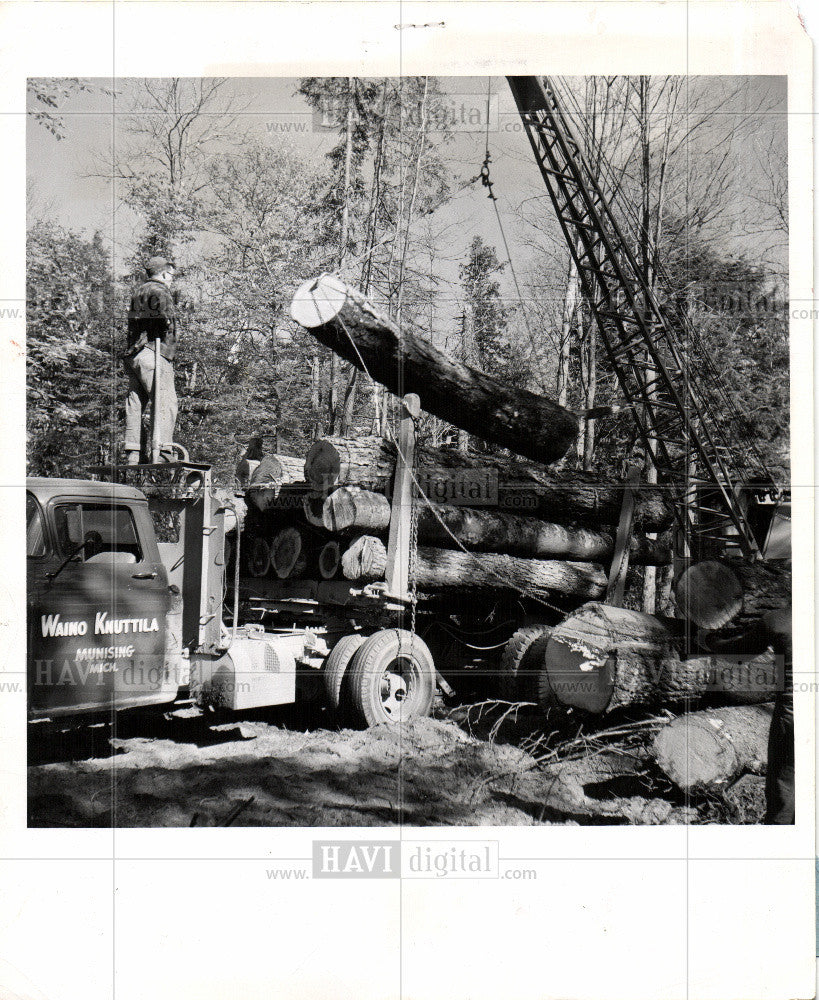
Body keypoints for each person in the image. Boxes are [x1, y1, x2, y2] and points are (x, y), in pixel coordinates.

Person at [124, 256, 179, 464]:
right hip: (154, 352)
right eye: (171, 275)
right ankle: (163, 451)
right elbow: (163, 317)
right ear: (165, 273)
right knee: (165, 400)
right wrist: (163, 321)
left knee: (136, 402)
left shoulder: (138, 291)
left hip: (134, 355)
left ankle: (133, 452)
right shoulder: (159, 289)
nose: (172, 280)